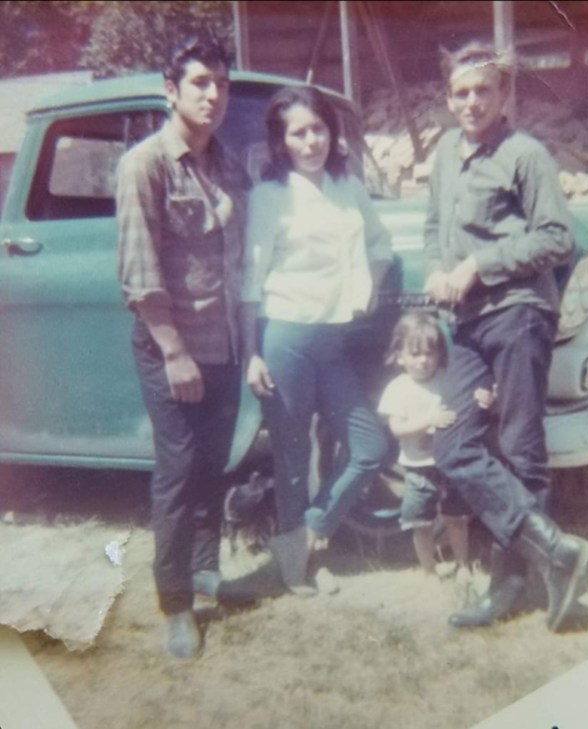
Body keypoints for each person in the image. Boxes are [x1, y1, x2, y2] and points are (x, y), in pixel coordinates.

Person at [423, 40, 588, 632]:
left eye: (483, 91)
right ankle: (558, 555)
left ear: (503, 94)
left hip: (519, 311)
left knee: (520, 449)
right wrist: (436, 268)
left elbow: (557, 238)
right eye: (460, 92)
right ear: (447, 98)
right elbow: (432, 227)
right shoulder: (446, 152)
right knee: (451, 443)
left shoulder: (526, 155)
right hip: (468, 320)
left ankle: (509, 587)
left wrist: (479, 265)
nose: (471, 102)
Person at [116, 35, 251, 659]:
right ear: (170, 91)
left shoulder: (229, 164)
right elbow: (141, 278)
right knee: (176, 472)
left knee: (212, 466)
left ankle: (204, 571)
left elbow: (239, 260)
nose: (213, 94)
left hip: (223, 344)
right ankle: (175, 605)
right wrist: (174, 351)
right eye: (199, 82)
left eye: (221, 82)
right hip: (171, 344)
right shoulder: (144, 165)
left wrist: (245, 344)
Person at [240, 85, 393, 595]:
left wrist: (368, 283)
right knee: (290, 457)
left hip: (332, 343)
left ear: (333, 132)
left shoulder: (348, 187)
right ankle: (298, 565)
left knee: (368, 446)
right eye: (298, 133)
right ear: (281, 143)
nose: (311, 142)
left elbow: (380, 242)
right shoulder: (269, 196)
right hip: (285, 337)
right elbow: (250, 279)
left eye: (318, 129)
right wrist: (252, 353)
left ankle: (310, 534)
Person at [378, 311, 473, 580]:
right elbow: (397, 429)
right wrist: (428, 421)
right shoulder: (397, 389)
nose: (423, 360)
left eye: (430, 353)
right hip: (418, 470)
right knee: (421, 523)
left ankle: (463, 565)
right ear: (399, 356)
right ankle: (429, 571)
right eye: (415, 353)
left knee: (457, 518)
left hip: (450, 464)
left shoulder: (446, 380)